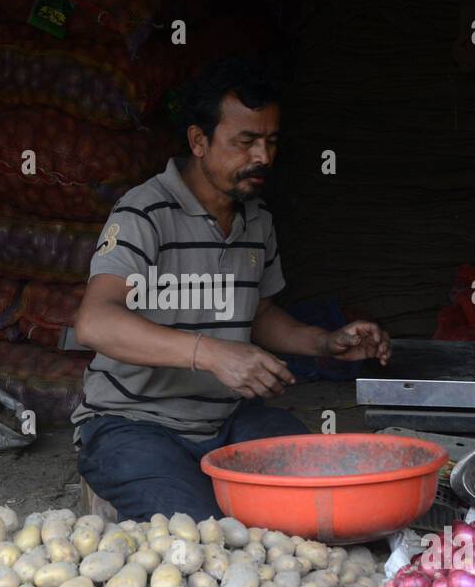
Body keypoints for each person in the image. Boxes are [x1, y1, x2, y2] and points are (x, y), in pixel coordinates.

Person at [71, 56, 391, 520]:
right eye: (245, 142)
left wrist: (324, 342)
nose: (262, 157)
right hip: (133, 424)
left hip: (228, 420)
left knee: (322, 489)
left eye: (270, 142)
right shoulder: (143, 213)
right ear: (198, 141)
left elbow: (257, 314)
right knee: (199, 533)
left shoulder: (256, 220)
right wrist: (213, 353)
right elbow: (95, 322)